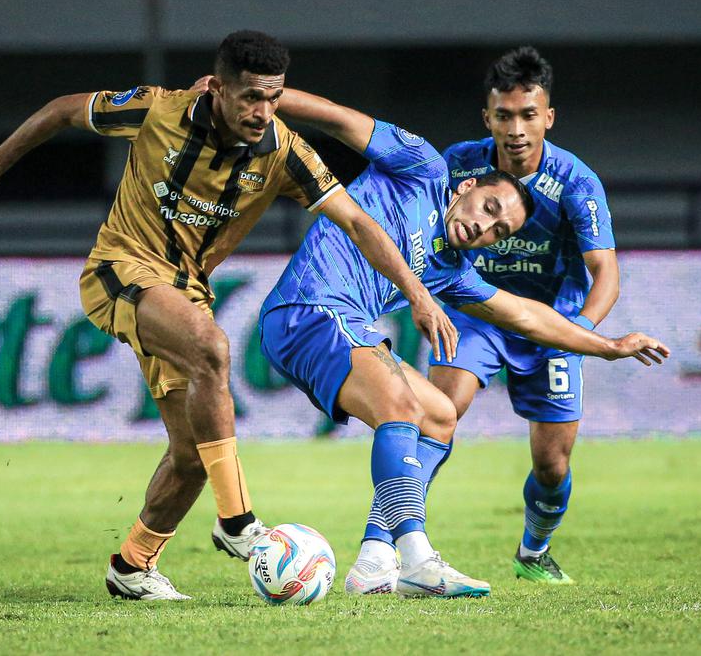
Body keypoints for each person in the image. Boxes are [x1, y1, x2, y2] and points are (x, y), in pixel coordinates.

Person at [0, 30, 456, 601]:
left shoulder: (283, 151)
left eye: (273, 97)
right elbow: (63, 110)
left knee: (191, 453)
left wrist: (418, 293)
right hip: (121, 268)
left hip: (186, 294)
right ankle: (237, 521)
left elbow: (357, 222)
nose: (262, 112)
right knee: (212, 348)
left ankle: (133, 565)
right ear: (217, 89)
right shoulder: (157, 110)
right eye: (250, 97)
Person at [261, 88, 670, 598]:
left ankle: (374, 560)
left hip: (341, 324)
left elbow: (526, 315)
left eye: (499, 230)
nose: (484, 227)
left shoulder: (453, 272)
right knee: (400, 406)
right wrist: (266, 100)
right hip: (307, 310)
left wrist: (607, 345)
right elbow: (340, 119)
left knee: (438, 414)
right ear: (468, 185)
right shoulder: (423, 167)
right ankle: (416, 557)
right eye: (489, 208)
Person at [426, 46, 618, 584]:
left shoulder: (575, 181)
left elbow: (605, 271)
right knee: (437, 414)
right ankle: (398, 540)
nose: (515, 129)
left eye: (528, 115)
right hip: (476, 313)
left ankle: (534, 551)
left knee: (552, 467)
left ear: (548, 117)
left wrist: (578, 333)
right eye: (504, 115)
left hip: (551, 325)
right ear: (486, 117)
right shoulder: (459, 163)